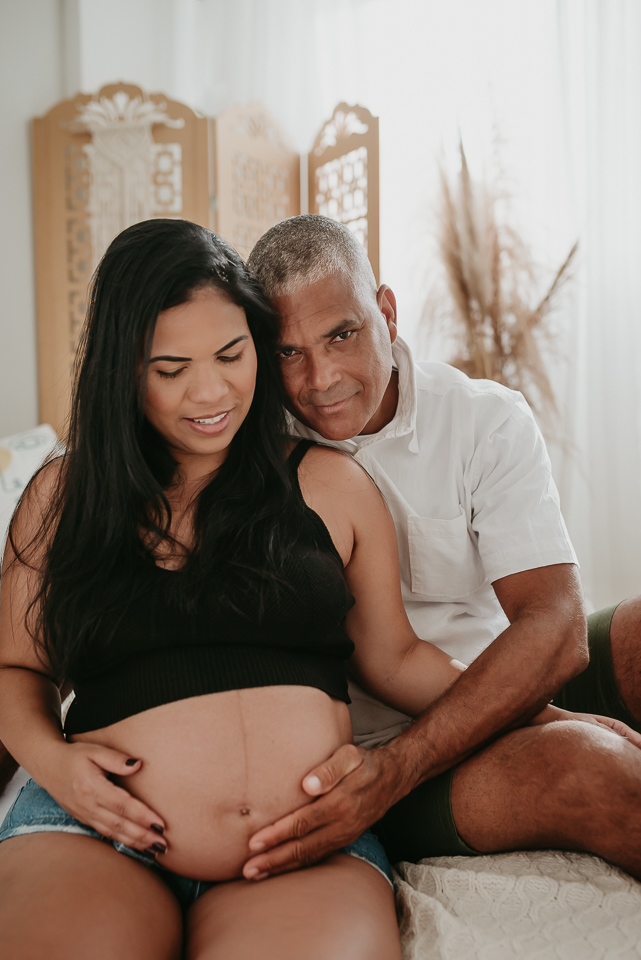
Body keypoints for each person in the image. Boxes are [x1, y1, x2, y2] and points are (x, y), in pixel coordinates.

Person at [0, 217, 481, 959]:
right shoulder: (64, 496)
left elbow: (396, 660)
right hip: (95, 836)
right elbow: (15, 668)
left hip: (303, 845)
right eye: (170, 368)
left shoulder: (332, 484)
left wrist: (546, 714)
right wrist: (55, 764)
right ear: (122, 371)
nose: (210, 391)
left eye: (231, 354)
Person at [242, 213, 641, 882]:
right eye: (287, 352)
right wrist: (392, 771)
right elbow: (384, 663)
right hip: (380, 749)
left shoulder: (484, 419)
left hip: (509, 682)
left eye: (342, 334)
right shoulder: (255, 460)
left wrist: (544, 710)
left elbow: (555, 627)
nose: (320, 377)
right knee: (593, 771)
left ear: (386, 313)